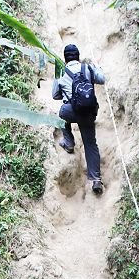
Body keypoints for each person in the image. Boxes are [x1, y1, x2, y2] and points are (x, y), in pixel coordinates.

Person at [52, 43, 106, 195]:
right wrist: (96, 67)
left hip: (70, 111)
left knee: (61, 115)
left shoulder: (61, 72)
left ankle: (69, 143)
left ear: (65, 58)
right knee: (90, 144)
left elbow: (55, 95)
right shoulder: (87, 68)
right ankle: (96, 180)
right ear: (78, 56)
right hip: (88, 112)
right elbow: (102, 79)